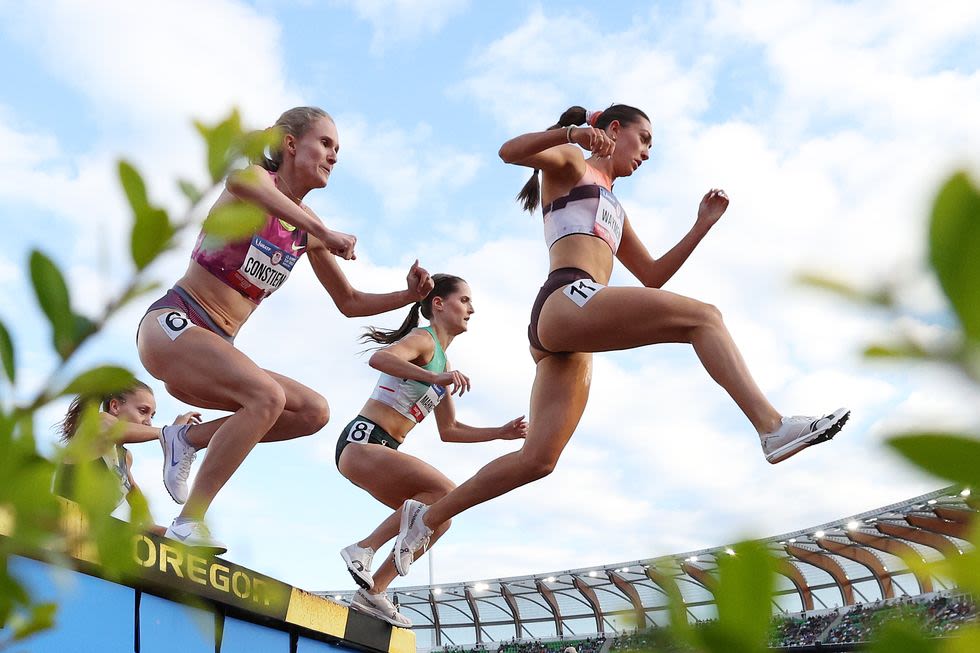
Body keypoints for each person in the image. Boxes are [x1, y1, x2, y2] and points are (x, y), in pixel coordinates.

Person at [390, 104, 850, 574]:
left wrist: (700, 226)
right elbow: (508, 152)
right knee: (705, 318)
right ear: (614, 129)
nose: (647, 153)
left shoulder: (615, 204)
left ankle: (425, 521)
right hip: (567, 296)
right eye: (644, 139)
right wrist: (574, 134)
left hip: (574, 324)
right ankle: (772, 427)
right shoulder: (572, 162)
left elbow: (652, 277)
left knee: (538, 459)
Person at [137, 106, 434, 552]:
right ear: (291, 144)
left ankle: (186, 437)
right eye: (326, 144)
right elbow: (242, 184)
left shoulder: (304, 233)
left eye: (339, 150)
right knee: (268, 396)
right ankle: (188, 523)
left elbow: (350, 303)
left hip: (215, 351)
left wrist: (407, 297)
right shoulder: (254, 181)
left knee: (312, 411)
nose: (334, 156)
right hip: (174, 325)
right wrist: (323, 229)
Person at [336, 273, 527, 626]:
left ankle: (373, 590)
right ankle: (364, 547)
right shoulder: (423, 339)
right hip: (362, 442)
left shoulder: (444, 365)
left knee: (442, 516)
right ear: (438, 304)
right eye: (465, 300)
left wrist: (500, 433)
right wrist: (435, 379)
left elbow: (450, 431)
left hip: (383, 448)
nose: (472, 308)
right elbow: (380, 359)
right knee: (446, 492)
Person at [53, 380, 202, 535]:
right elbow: (114, 429)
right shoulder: (97, 424)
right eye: (143, 411)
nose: (148, 422)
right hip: (53, 530)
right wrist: (173, 433)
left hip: (86, 540)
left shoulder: (125, 459)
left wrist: (179, 537)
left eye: (152, 415)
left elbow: (145, 524)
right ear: (115, 406)